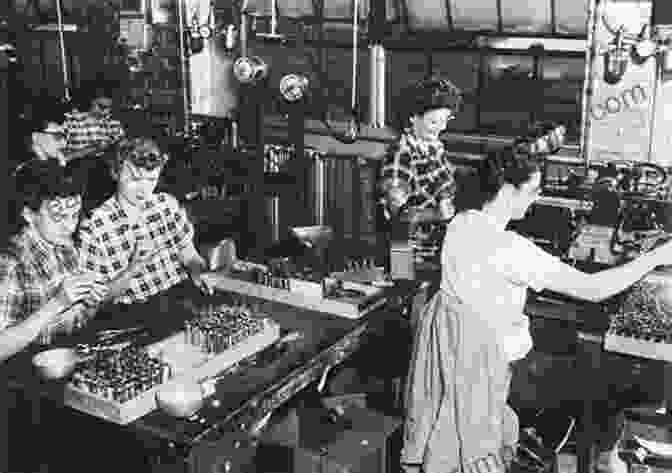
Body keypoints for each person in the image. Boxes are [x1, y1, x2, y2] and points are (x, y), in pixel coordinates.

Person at [402, 146, 672, 473]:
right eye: (532, 190)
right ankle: (603, 457)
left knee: (567, 352)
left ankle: (597, 452)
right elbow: (594, 290)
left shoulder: (461, 224)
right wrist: (655, 258)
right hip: (494, 375)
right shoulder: (513, 250)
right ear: (505, 190)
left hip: (457, 365)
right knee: (612, 380)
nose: (536, 198)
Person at [77, 137, 213, 306]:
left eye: (151, 180)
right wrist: (134, 268)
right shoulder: (94, 227)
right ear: (115, 172)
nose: (143, 190)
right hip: (130, 314)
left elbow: (189, 255)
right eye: (134, 180)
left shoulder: (166, 204)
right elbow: (93, 302)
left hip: (179, 298)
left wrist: (199, 272)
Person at [0, 159, 107, 363]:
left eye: (74, 215)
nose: (69, 227)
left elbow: (79, 320)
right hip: (21, 370)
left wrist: (91, 303)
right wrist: (58, 302)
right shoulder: (11, 263)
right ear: (29, 214)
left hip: (67, 354)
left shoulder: (66, 244)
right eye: (58, 217)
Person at [379, 76, 463, 222]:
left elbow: (447, 184)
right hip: (417, 240)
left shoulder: (433, 147)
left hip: (447, 229)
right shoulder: (401, 155)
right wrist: (435, 214)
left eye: (445, 120)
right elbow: (397, 214)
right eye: (433, 122)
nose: (441, 128)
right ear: (412, 117)